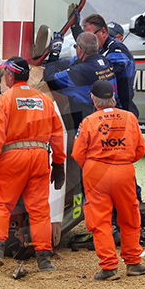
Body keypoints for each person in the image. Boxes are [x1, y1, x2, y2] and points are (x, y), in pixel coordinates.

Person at [0, 56, 66, 272]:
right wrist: (59, 164)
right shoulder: (44, 100)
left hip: (12, 157)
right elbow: (57, 134)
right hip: (40, 157)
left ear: (10, 75)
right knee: (40, 209)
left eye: (4, 73)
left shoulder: (3, 100)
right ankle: (44, 258)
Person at [72, 81, 145, 281]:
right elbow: (140, 149)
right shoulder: (129, 118)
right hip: (124, 171)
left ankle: (109, 268)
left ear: (93, 99)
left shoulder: (89, 121)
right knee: (130, 218)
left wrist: (91, 166)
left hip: (96, 173)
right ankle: (133, 263)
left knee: (100, 221)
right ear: (113, 97)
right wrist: (123, 162)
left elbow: (78, 153)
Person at [43, 32, 117, 200]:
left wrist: (53, 55)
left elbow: (50, 79)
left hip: (89, 124)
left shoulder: (80, 72)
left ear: (80, 49)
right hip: (110, 121)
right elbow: (73, 63)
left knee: (90, 169)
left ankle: (90, 203)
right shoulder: (104, 62)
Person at [77, 13, 139, 118]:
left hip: (123, 113)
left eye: (90, 35)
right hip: (110, 113)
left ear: (103, 32)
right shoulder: (100, 49)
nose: (87, 40)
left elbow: (106, 75)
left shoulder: (117, 50)